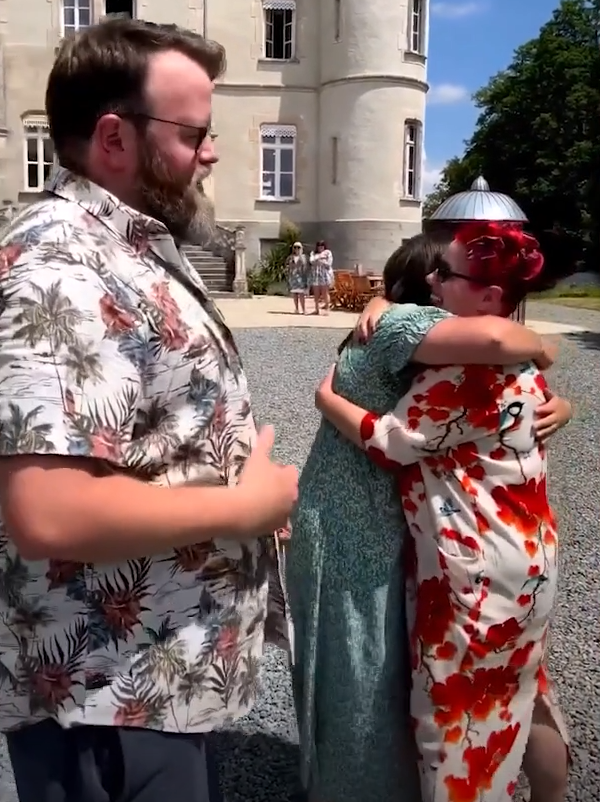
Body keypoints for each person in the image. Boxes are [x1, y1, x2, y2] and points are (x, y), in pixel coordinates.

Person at [0, 18, 297, 802]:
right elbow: (50, 511)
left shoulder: (124, 242)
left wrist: (242, 497)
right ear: (115, 138)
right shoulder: (59, 264)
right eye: (193, 133)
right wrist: (243, 507)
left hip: (155, 680)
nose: (211, 152)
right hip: (107, 695)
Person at [286, 233, 569, 802]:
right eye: (434, 273)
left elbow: (392, 442)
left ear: (487, 296)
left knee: (458, 718)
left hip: (475, 568)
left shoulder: (465, 367)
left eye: (448, 274)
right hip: (529, 555)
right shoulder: (510, 364)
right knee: (524, 685)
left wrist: (326, 399)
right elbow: (511, 345)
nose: (438, 282)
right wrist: (551, 368)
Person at [309, 240, 334, 314]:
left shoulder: (328, 252)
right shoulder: (313, 253)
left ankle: (327, 308)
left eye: (322, 246)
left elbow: (329, 263)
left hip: (324, 275)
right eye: (319, 246)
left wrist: (319, 260)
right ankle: (317, 309)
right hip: (315, 275)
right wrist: (320, 258)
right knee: (316, 293)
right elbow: (311, 261)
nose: (320, 248)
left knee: (325, 293)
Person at [285, 241, 309, 314]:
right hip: (293, 277)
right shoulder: (290, 257)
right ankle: (296, 309)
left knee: (302, 294)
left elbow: (306, 267)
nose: (296, 249)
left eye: (298, 247)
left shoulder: (304, 257)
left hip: (301, 278)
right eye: (295, 247)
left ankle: (304, 309)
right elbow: (287, 266)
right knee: (295, 294)